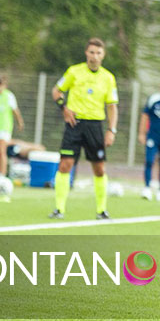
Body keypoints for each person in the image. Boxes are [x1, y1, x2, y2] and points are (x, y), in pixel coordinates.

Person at [49, 38, 118, 220]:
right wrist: (64, 108)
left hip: (95, 126)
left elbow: (112, 106)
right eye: (92, 52)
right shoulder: (74, 71)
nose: (94, 56)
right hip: (75, 125)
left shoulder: (108, 78)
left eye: (98, 53)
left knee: (99, 168)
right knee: (65, 164)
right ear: (86, 53)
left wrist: (111, 130)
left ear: (103, 55)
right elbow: (56, 91)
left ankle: (101, 210)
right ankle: (59, 209)